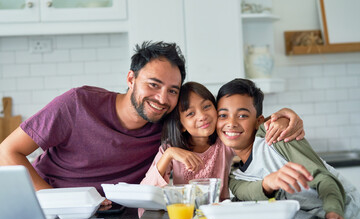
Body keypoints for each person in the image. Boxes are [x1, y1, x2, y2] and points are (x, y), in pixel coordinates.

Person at [0, 41, 302, 200]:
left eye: (172, 90)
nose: (162, 98)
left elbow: (226, 121)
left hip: (116, 216)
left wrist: (284, 116)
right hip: (51, 207)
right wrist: (56, 201)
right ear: (131, 78)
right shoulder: (78, 103)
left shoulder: (167, 120)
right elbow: (7, 152)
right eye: (153, 84)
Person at [216, 78, 357, 219]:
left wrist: (333, 210)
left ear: (259, 121)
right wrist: (270, 182)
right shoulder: (235, 176)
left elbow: (322, 178)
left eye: (242, 115)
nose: (231, 123)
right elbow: (249, 193)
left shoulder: (276, 136)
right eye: (223, 115)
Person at [141, 82, 300, 201]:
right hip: (186, 218)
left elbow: (254, 126)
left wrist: (284, 116)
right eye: (190, 114)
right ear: (181, 126)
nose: (202, 116)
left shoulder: (223, 140)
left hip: (221, 217)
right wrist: (169, 154)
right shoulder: (171, 148)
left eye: (206, 106)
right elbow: (146, 191)